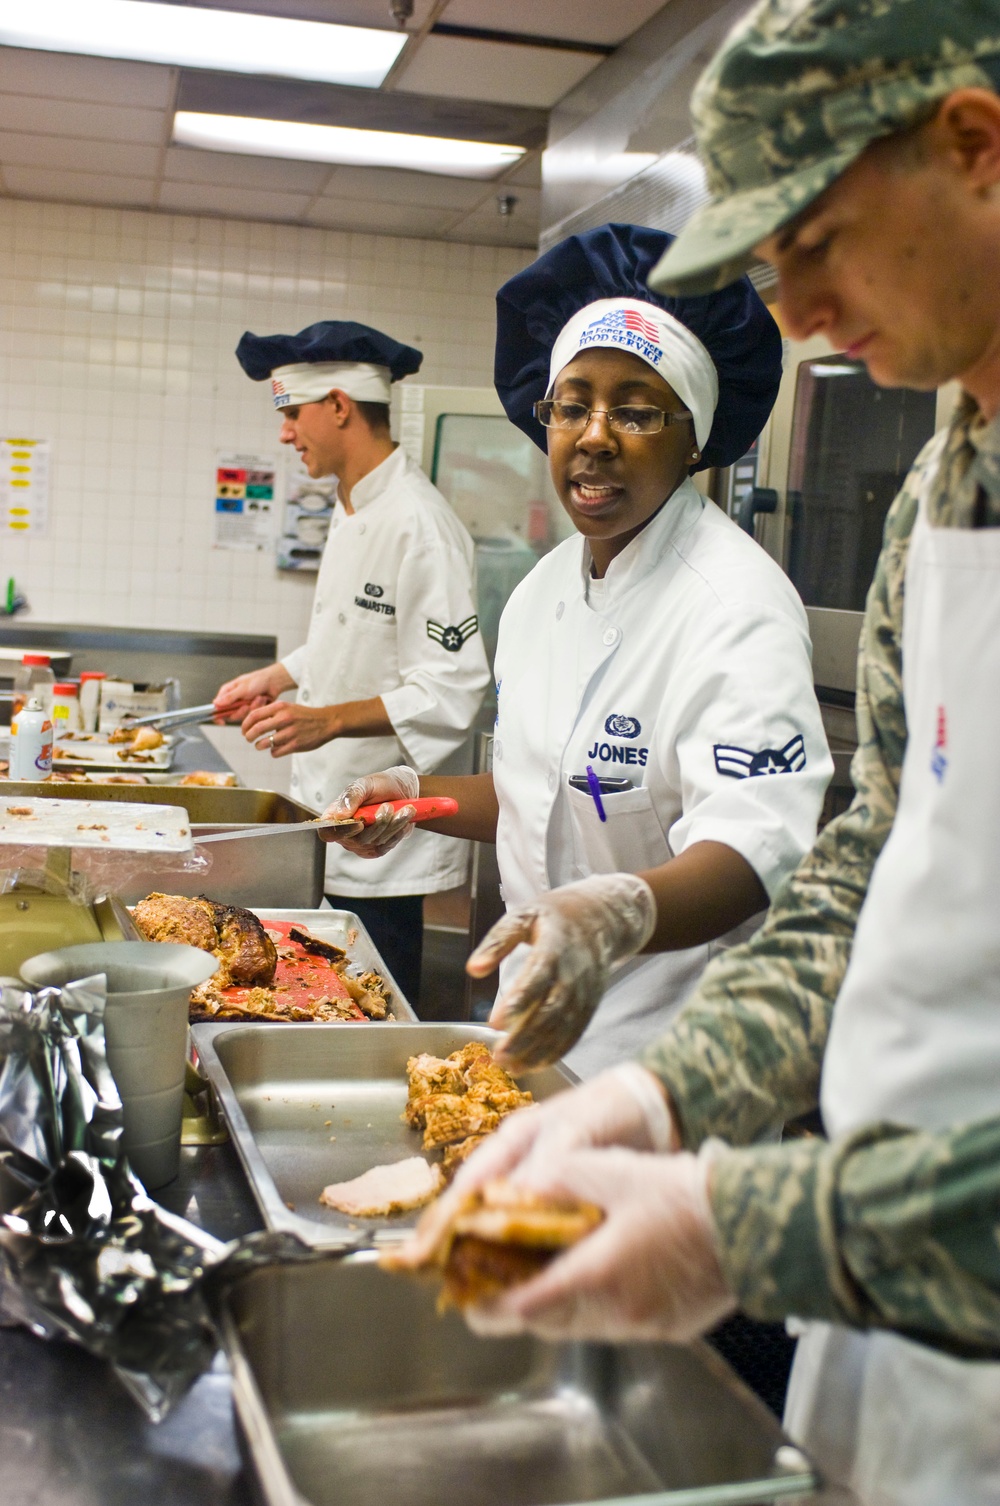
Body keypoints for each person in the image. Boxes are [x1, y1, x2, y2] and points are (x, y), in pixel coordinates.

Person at [396, 3, 1000, 1503]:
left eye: (814, 238)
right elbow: (870, 850)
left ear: (973, 147)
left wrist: (752, 1224)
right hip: (896, 1301)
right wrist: (668, 1101)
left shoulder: (735, 596)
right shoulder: (948, 486)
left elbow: (780, 839)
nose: (792, 312)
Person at [324, 225, 832, 1078]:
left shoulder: (736, 608)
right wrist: (418, 799)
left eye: (636, 410)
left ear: (694, 436)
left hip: (670, 1056)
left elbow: (754, 851)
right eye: (572, 405)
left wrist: (616, 913)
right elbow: (550, 788)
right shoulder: (542, 593)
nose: (594, 436)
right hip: (530, 1020)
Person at [213, 320, 490, 1005]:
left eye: (291, 413)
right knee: (318, 995)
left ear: (339, 406)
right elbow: (354, 638)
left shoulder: (421, 526)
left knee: (367, 1006)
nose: (285, 434)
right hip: (327, 810)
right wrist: (277, 677)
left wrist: (327, 722)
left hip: (382, 834)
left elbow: (454, 686)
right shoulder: (350, 509)